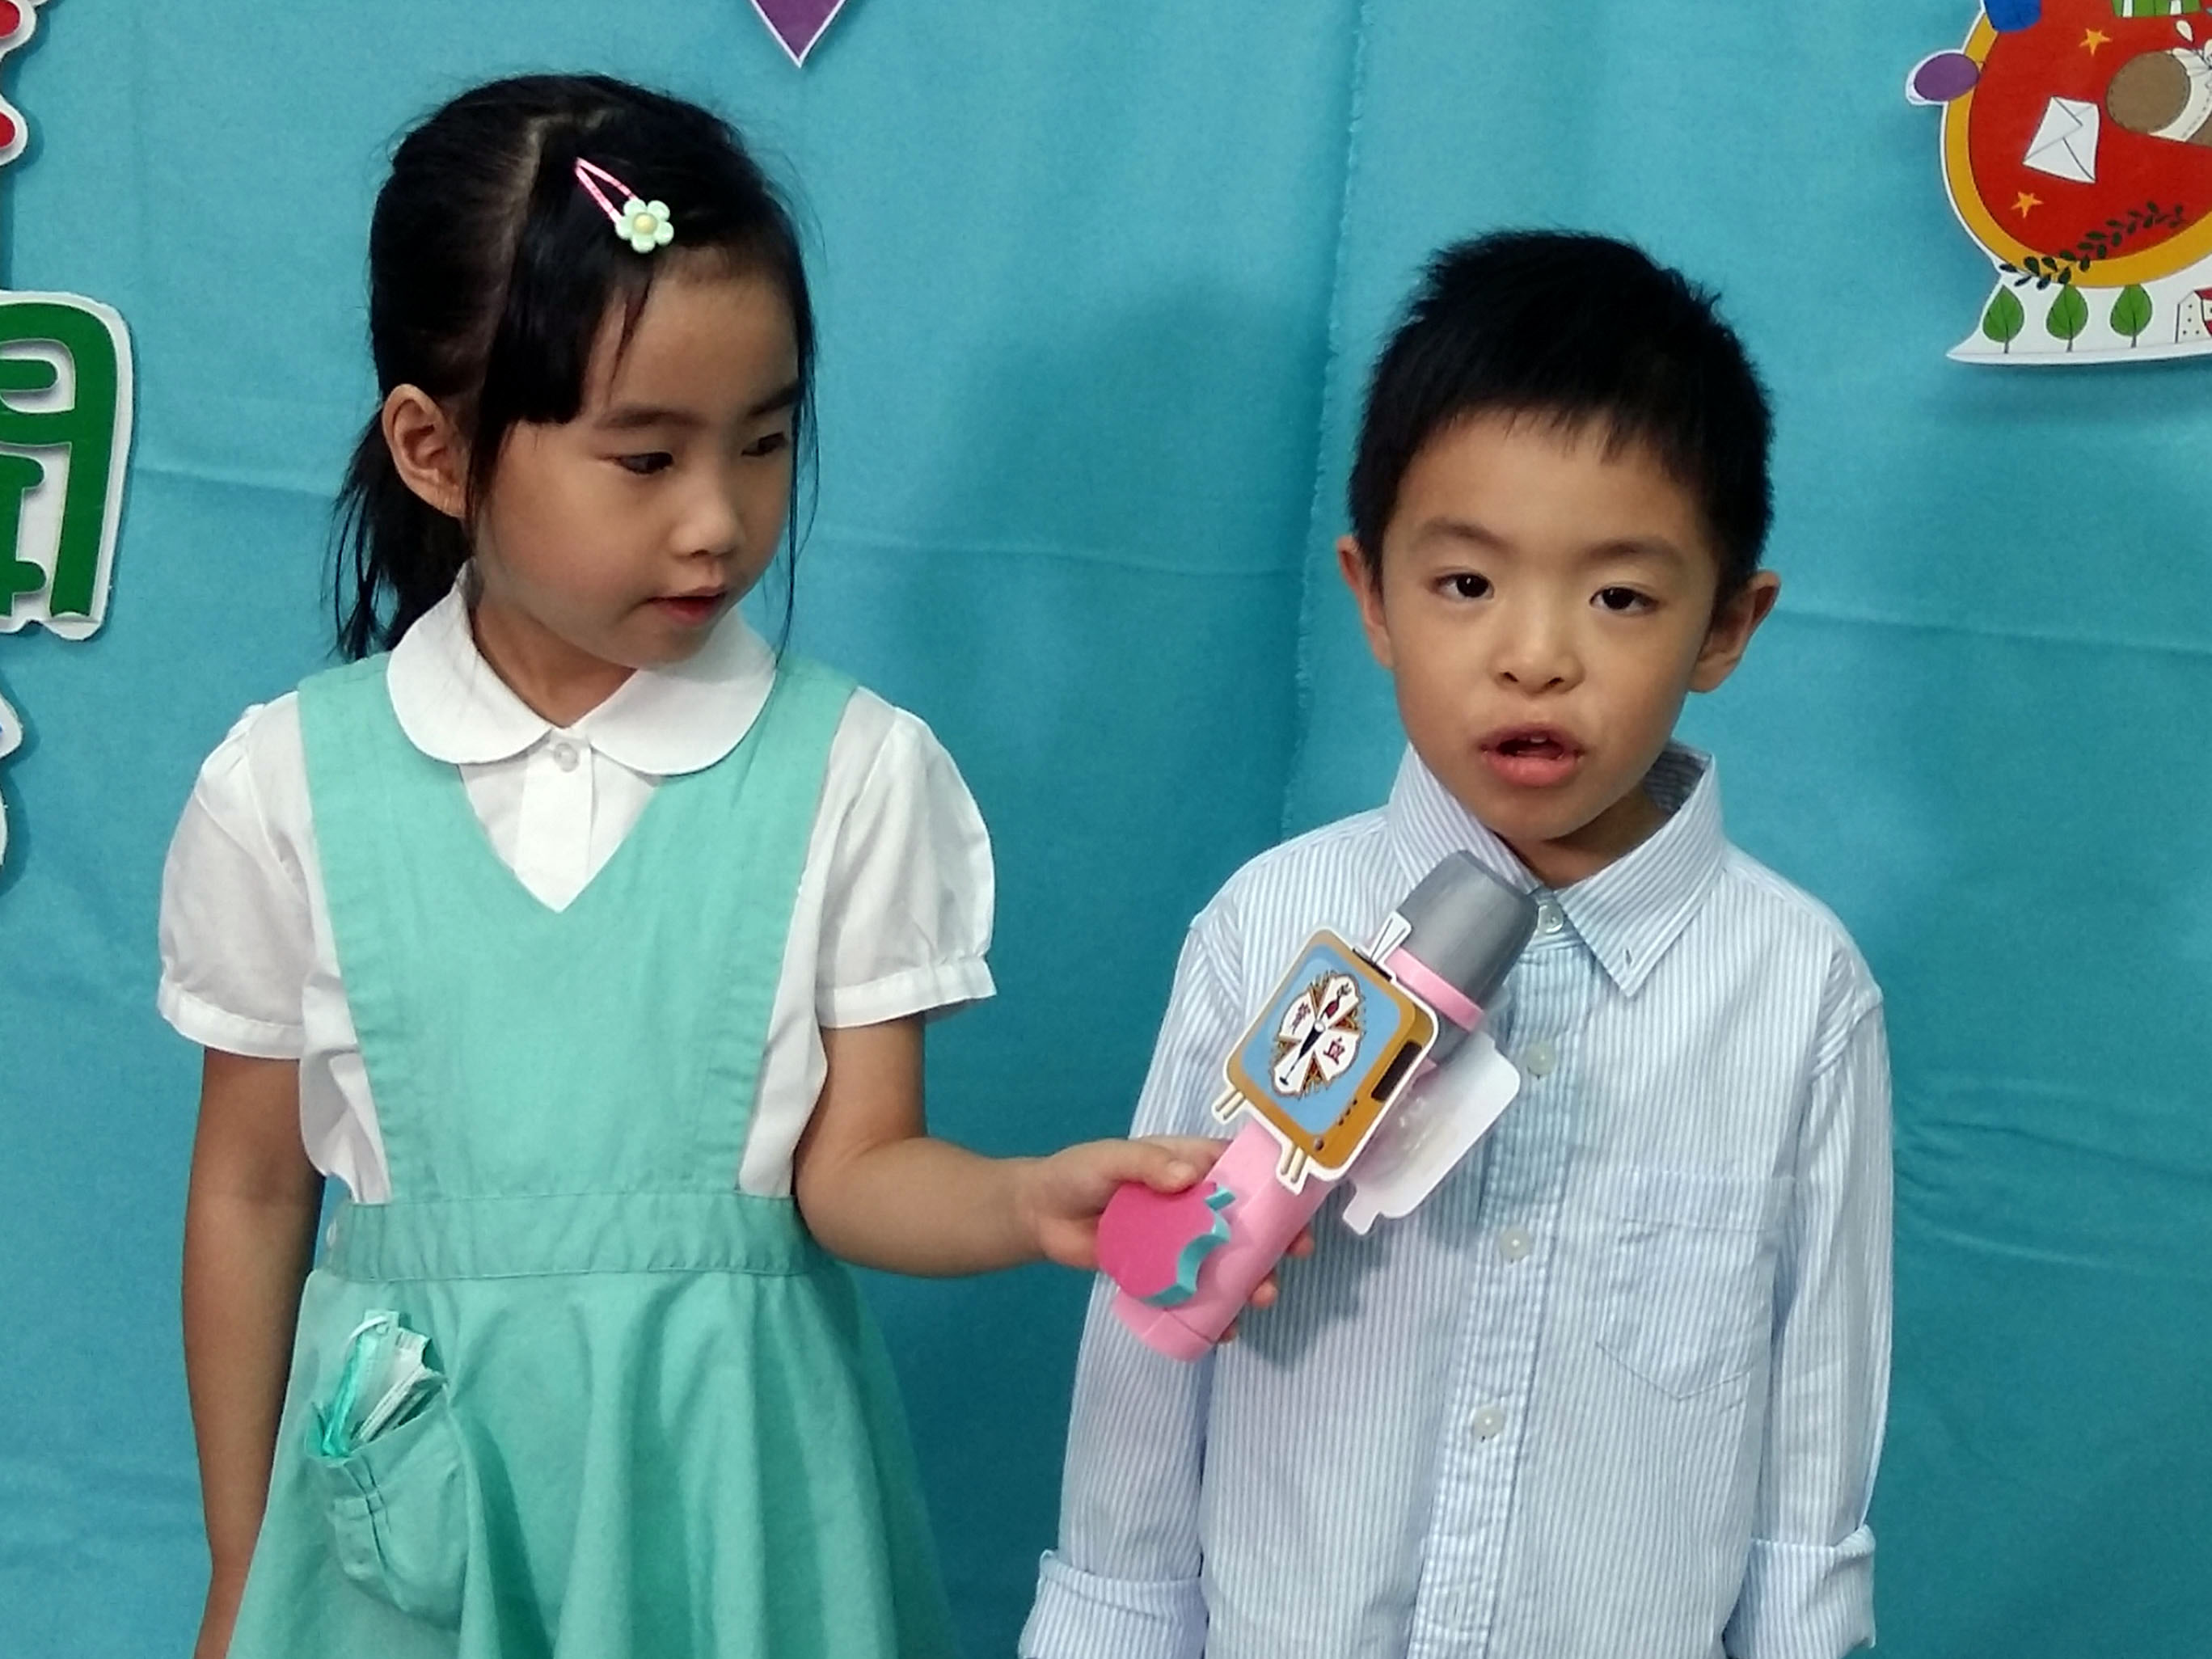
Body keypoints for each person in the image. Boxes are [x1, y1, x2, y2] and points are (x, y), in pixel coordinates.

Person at [162, 73, 1238, 1659]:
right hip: (412, 1530)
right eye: (645, 458)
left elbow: (856, 1171)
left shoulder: (850, 773)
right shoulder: (288, 787)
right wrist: (240, 1568)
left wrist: (1024, 1202)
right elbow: (254, 1189)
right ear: (436, 449)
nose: (719, 523)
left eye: (766, 442)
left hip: (737, 1516)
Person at [1022, 230, 1892, 1659]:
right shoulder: (1268, 927)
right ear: (1371, 595)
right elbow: (1151, 1343)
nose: (1534, 654)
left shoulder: (1799, 994)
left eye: (1620, 597)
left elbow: (1814, 1434)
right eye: (1467, 585)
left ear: (1728, 624)